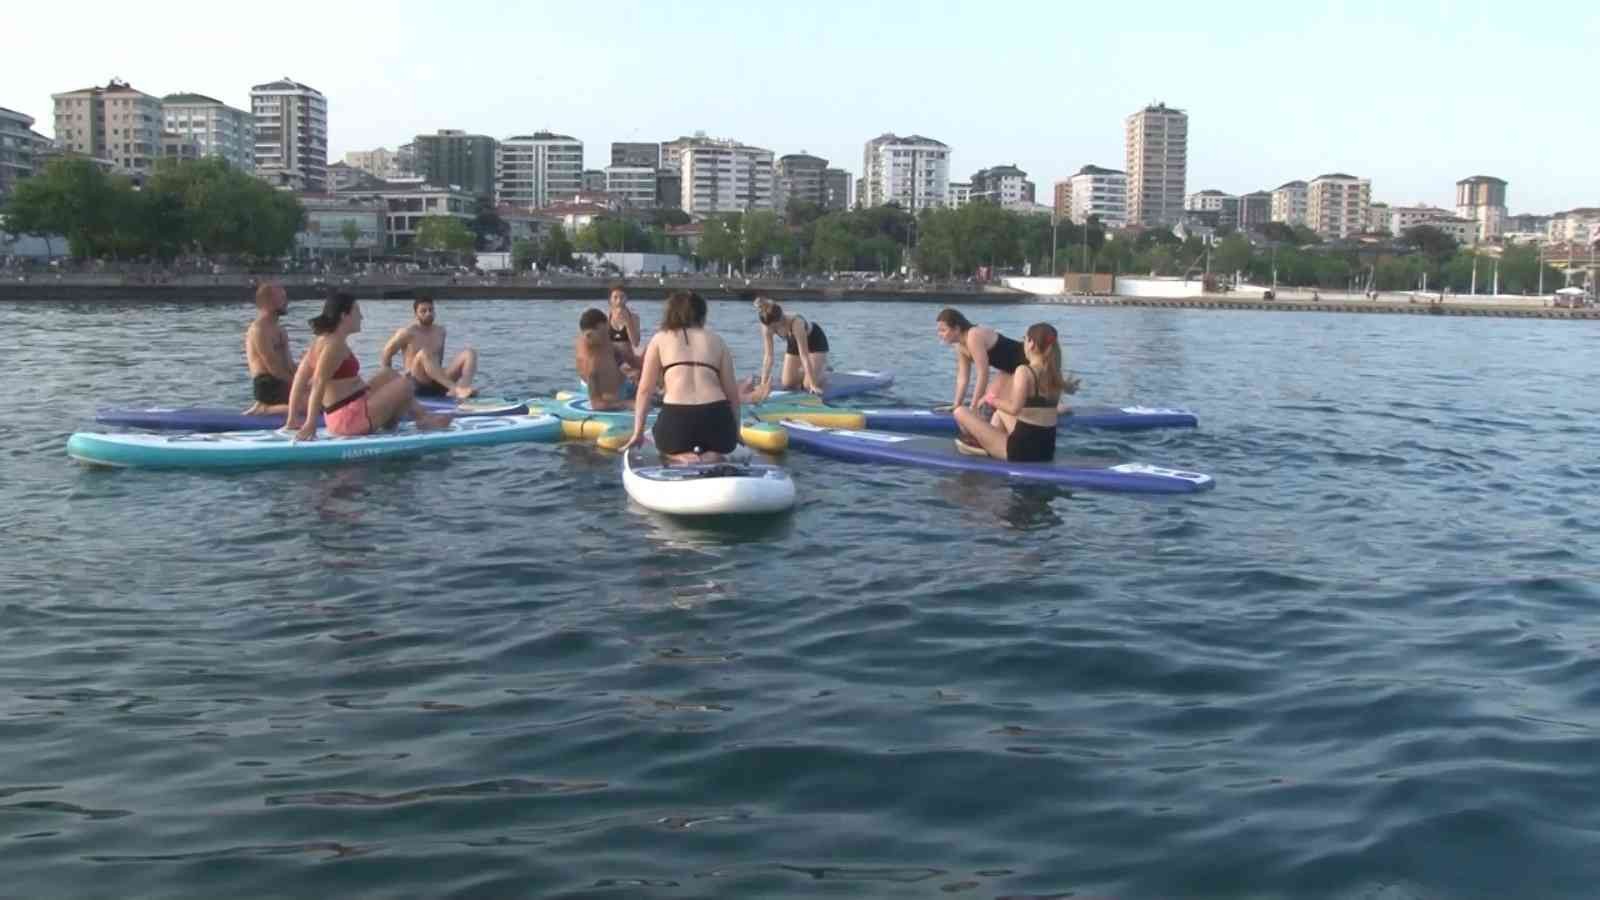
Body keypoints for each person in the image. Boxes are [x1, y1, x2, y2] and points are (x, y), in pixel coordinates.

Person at [290, 292, 452, 440]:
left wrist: (292, 417)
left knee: (389, 374)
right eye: (357, 312)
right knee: (405, 384)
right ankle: (423, 420)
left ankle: (417, 418)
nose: (361, 317)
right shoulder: (334, 346)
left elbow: (300, 377)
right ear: (344, 316)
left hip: (350, 408)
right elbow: (318, 382)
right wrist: (310, 424)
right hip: (348, 420)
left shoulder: (323, 340)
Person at [622, 291, 740, 464]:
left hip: (678, 419)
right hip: (717, 419)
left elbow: (645, 390)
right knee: (717, 445)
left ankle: (678, 456)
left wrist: (638, 432)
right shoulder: (718, 341)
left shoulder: (659, 340)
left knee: (663, 445)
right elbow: (733, 396)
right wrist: (735, 432)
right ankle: (712, 455)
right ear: (702, 313)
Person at [951, 323, 1065, 462]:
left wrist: (991, 399)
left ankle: (986, 447)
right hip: (1047, 451)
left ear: (1031, 344)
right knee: (1000, 413)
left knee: (960, 412)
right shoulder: (1055, 374)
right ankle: (985, 445)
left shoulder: (1024, 371)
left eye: (1025, 339)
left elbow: (1014, 408)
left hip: (1020, 452)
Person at [380, 295, 479, 400]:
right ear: (416, 314)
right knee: (424, 353)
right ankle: (456, 389)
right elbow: (386, 353)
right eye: (423, 311)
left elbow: (438, 360)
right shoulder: (407, 332)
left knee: (469, 353)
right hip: (417, 382)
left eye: (431, 310)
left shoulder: (440, 331)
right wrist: (390, 381)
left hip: (438, 382)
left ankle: (462, 388)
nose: (428, 313)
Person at [935, 308, 1029, 416]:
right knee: (987, 400)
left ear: (956, 328)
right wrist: (956, 404)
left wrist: (973, 407)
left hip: (1025, 364)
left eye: (943, 330)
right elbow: (963, 378)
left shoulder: (973, 335)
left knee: (985, 402)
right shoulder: (960, 346)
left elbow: (983, 373)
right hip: (1009, 370)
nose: (940, 334)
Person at [747, 293, 828, 400]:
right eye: (768, 327)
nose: (770, 330)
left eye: (773, 327)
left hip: (815, 341)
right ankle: (811, 371)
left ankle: (823, 371)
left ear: (779, 321)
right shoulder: (767, 324)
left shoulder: (797, 323)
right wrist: (763, 384)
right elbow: (768, 356)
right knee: (787, 383)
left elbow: (804, 355)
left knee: (807, 385)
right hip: (793, 341)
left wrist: (813, 384)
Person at [242, 281, 296, 415]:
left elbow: (289, 364)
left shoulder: (281, 330)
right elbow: (273, 368)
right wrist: (299, 386)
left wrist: (307, 379)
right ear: (268, 302)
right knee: (314, 405)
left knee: (322, 396)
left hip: (282, 381)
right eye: (282, 298)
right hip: (267, 385)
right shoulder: (258, 330)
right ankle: (264, 408)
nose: (286, 302)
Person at [576, 307, 630, 411]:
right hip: (608, 397)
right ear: (588, 335)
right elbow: (597, 405)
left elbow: (613, 349)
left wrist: (623, 365)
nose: (607, 335)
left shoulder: (601, 337)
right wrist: (627, 404)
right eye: (604, 332)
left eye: (607, 330)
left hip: (623, 385)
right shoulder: (589, 364)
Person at [606, 285, 642, 374]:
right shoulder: (606, 318)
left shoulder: (634, 318)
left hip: (629, 361)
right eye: (615, 297)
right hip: (612, 361)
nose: (619, 301)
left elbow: (635, 343)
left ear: (626, 299)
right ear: (610, 300)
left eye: (622, 297)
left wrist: (628, 323)